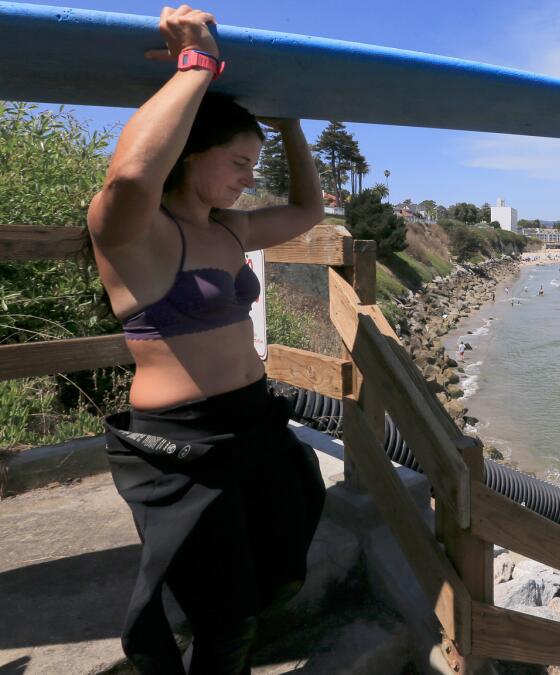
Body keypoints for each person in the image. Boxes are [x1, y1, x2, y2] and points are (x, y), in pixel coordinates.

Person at [87, 7, 325, 673]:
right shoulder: (136, 233)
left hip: (256, 423)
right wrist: (196, 67)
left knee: (281, 565)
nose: (250, 175)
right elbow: (131, 177)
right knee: (225, 624)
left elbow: (308, 212)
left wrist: (289, 120)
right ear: (191, 151)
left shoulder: (230, 231)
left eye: (256, 162)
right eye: (239, 161)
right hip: (181, 444)